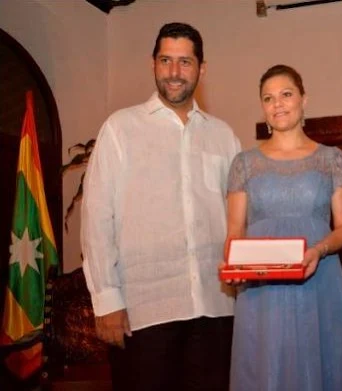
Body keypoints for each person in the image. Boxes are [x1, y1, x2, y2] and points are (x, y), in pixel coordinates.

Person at [80, 22, 240, 391]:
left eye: (185, 62)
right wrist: (106, 301)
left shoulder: (223, 136)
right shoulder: (120, 129)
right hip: (143, 313)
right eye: (166, 60)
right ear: (153, 64)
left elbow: (238, 219)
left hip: (216, 310)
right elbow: (97, 218)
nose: (174, 72)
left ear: (202, 69)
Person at [224, 64, 342, 391]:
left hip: (319, 278)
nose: (278, 104)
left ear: (304, 99)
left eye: (286, 94)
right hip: (261, 290)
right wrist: (233, 266)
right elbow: (234, 230)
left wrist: (319, 249)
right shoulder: (242, 163)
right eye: (268, 98)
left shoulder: (332, 159)